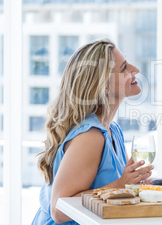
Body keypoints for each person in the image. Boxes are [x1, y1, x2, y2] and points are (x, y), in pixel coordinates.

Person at [32, 39, 153, 225]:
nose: (135, 69)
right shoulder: (91, 137)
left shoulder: (113, 131)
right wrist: (120, 185)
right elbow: (58, 210)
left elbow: (119, 189)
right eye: (124, 68)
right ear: (104, 86)